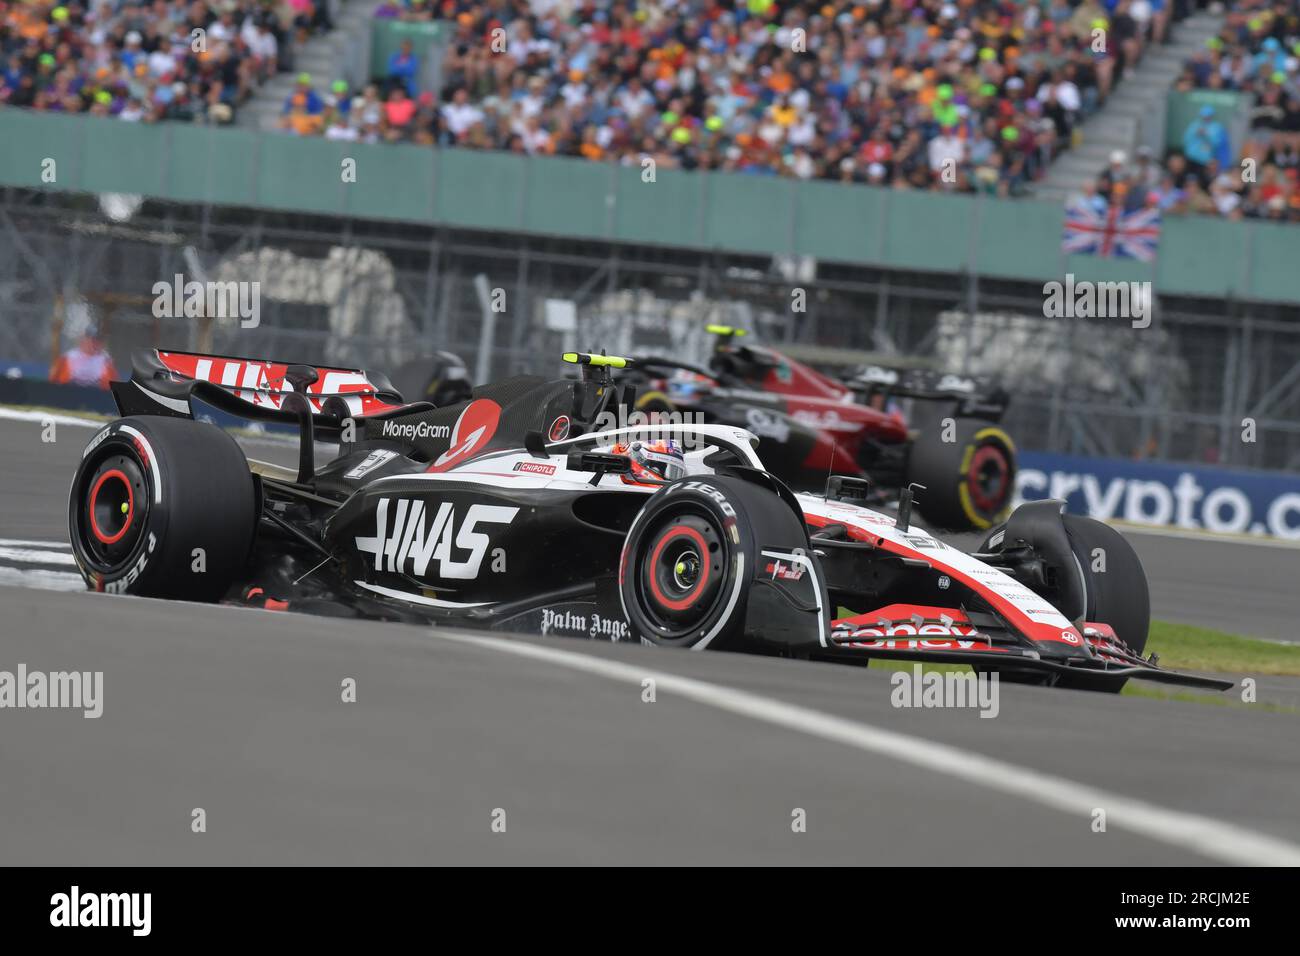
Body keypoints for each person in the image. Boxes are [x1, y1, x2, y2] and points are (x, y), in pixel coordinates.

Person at [51, 328, 117, 389]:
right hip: (70, 394)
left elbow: (112, 386)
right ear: (82, 340)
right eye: (91, 340)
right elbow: (53, 382)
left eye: (97, 340)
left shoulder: (105, 361)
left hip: (96, 397)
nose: (94, 343)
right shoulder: (68, 357)